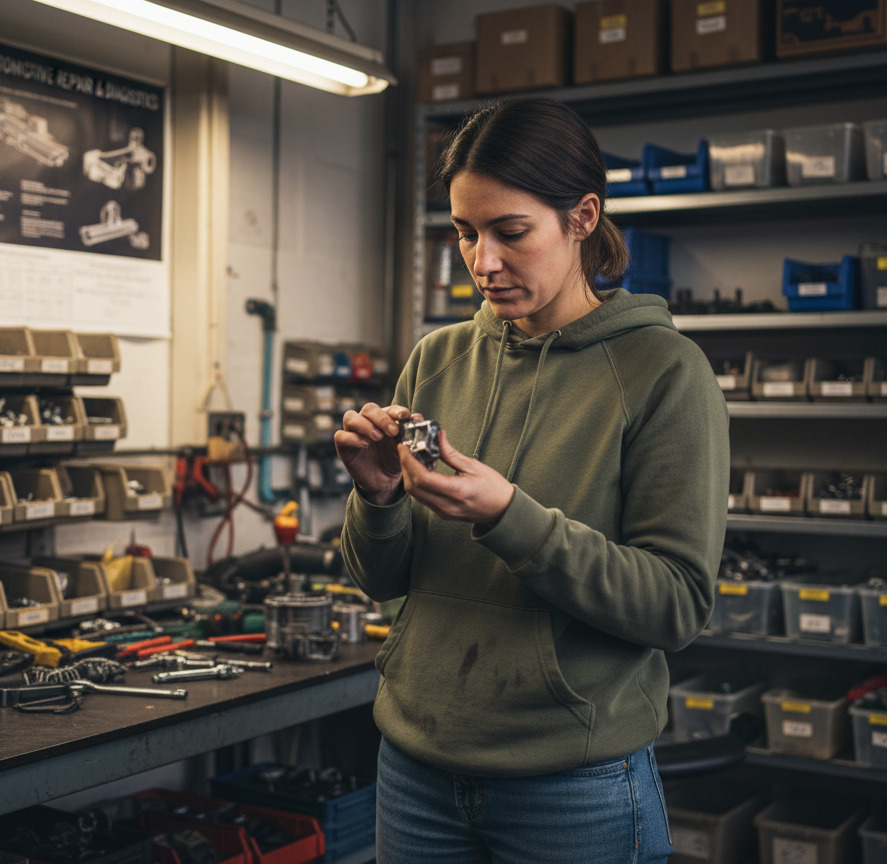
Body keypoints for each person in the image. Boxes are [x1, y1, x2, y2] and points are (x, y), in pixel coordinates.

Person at [335, 96, 730, 863]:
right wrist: (377, 498)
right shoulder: (438, 358)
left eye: (511, 232)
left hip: (572, 786)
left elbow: (676, 606)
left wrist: (511, 516)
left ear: (582, 218)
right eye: (465, 234)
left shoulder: (664, 373)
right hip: (415, 766)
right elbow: (383, 581)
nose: (484, 262)